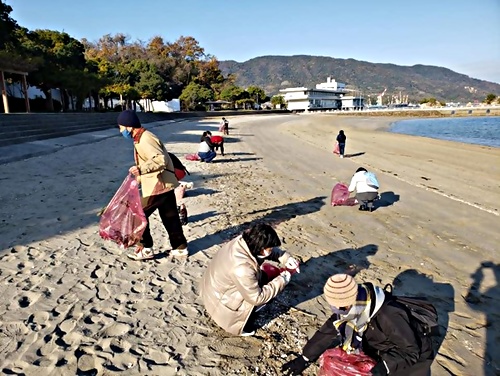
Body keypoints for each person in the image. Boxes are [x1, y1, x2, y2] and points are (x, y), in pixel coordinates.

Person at [281, 274, 435, 376]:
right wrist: (305, 358)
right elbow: (328, 331)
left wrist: (383, 368)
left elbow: (410, 351)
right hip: (380, 347)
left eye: (338, 306)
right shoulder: (350, 307)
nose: (335, 310)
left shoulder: (389, 315)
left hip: (412, 359)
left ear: (349, 301)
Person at [200, 223, 300, 336]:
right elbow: (257, 298)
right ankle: (240, 326)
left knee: (263, 277)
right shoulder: (242, 268)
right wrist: (283, 279)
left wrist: (285, 258)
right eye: (270, 248)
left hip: (212, 289)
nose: (271, 250)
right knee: (261, 297)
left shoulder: (243, 241)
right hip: (221, 305)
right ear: (261, 248)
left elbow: (267, 251)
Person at [117, 110, 188, 260]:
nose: (121, 130)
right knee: (170, 217)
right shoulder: (140, 138)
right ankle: (180, 248)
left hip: (158, 183)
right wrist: (139, 180)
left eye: (121, 127)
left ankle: (146, 248)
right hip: (163, 182)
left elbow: (159, 160)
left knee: (136, 214)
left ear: (129, 126)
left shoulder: (145, 139)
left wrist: (141, 169)